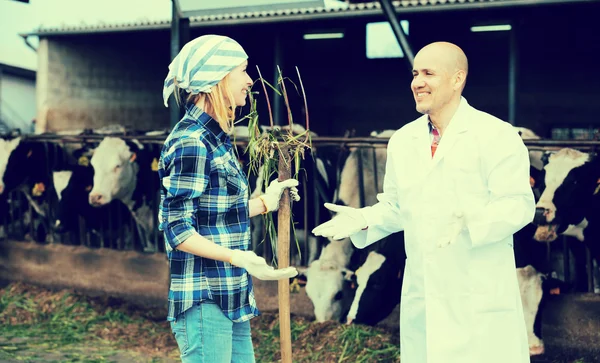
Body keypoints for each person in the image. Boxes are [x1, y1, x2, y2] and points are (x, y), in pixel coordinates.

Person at [313, 41, 535, 363]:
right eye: (415, 73)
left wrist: (471, 220)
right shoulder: (403, 140)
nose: (417, 82)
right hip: (424, 296)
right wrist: (364, 219)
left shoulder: (496, 135)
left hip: (477, 294)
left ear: (457, 79)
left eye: (428, 73)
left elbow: (518, 204)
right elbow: (397, 207)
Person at [159, 34, 300, 363]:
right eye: (242, 70)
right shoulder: (191, 141)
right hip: (205, 298)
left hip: (229, 294)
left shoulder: (214, 137)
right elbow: (177, 229)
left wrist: (266, 201)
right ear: (217, 78)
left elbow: (214, 214)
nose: (249, 80)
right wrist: (238, 257)